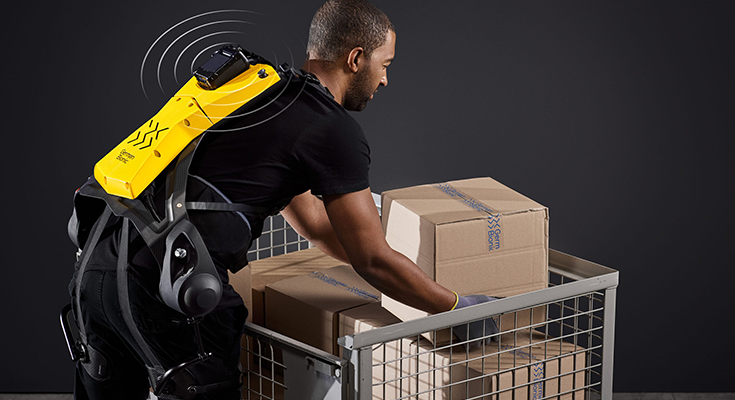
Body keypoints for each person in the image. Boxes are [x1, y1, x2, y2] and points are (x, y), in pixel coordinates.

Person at [69, 1, 493, 399]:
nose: (385, 79)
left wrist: (405, 274)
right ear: (356, 58)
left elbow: (313, 225)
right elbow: (372, 259)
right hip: (171, 287)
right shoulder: (330, 127)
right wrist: (455, 308)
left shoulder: (260, 90)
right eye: (385, 65)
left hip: (97, 263)